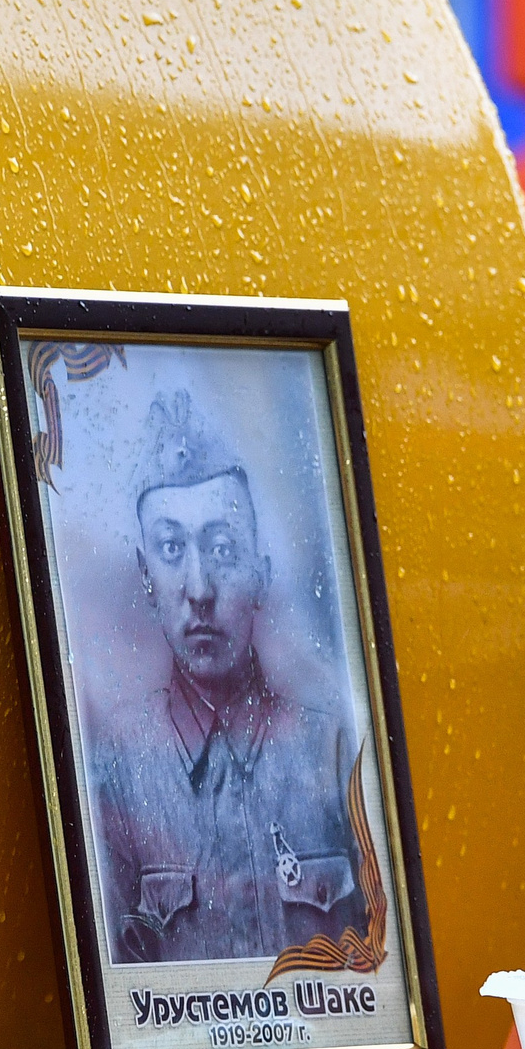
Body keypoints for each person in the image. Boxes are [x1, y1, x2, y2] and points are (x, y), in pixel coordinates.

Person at [92, 390, 366, 964]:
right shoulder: (117, 771)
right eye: (170, 549)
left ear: (262, 574)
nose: (199, 589)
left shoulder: (334, 749)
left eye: (221, 548)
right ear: (146, 576)